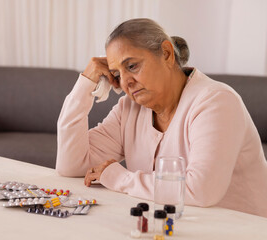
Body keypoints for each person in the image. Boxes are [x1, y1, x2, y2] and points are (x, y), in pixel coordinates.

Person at [56, 18, 267, 217]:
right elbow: (71, 165)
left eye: (132, 66)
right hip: (170, 227)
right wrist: (86, 83)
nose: (125, 82)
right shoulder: (129, 109)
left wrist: (117, 177)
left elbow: (201, 190)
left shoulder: (217, 101)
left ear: (166, 53)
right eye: (118, 74)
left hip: (241, 230)